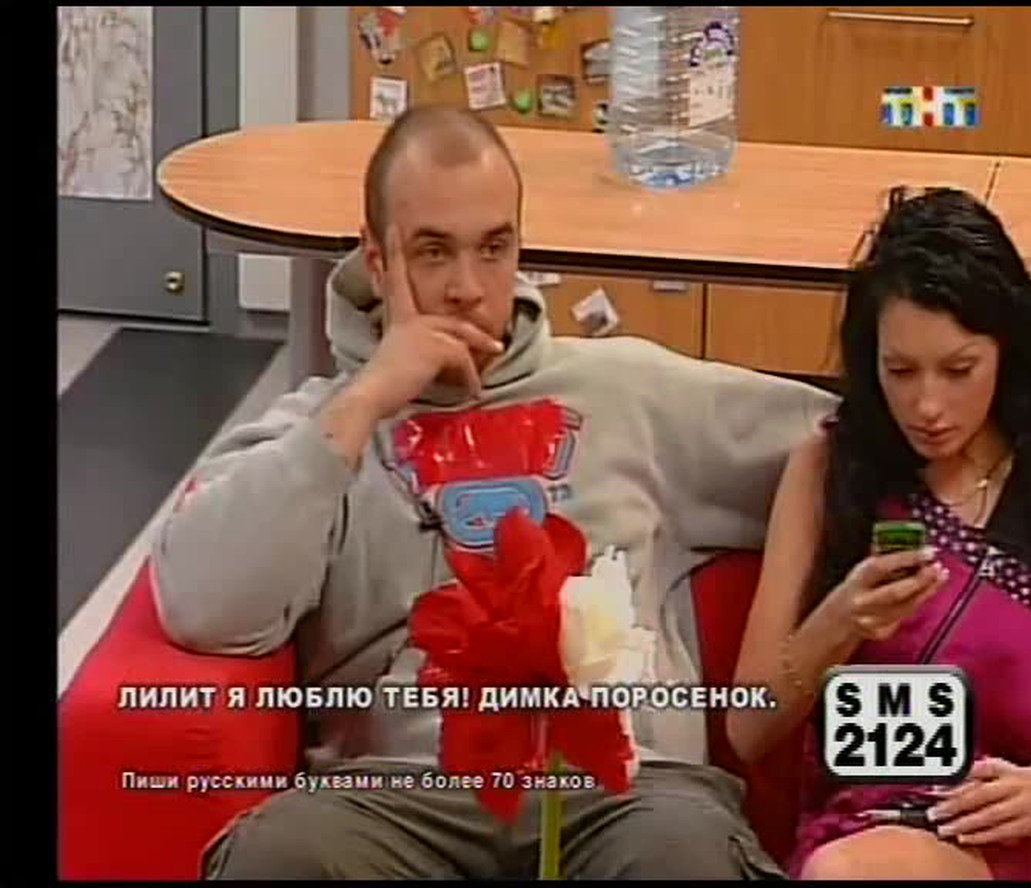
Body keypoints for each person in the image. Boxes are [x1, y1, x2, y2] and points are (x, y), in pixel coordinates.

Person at [151, 105, 838, 880]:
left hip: (622, 793)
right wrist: (366, 400)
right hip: (400, 798)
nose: (467, 288)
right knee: (278, 855)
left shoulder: (629, 390)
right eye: (433, 252)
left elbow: (850, 443)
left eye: (493, 248)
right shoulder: (321, 427)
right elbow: (203, 606)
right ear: (377, 261)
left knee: (685, 853)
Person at [726, 186, 1031, 880]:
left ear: (1004, 349)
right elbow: (748, 728)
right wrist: (840, 620)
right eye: (900, 372)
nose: (928, 406)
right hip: (871, 831)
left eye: (959, 370)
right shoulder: (828, 470)